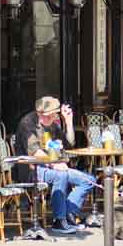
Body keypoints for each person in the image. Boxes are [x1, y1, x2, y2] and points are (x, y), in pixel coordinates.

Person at [25, 96, 97, 235]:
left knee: (89, 180)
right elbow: (36, 152)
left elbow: (69, 144)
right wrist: (55, 164)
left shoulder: (53, 124)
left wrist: (68, 122)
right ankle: (59, 220)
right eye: (45, 116)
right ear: (38, 113)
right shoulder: (28, 124)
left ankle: (68, 215)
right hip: (33, 168)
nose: (48, 118)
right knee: (61, 176)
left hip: (54, 166)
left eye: (51, 115)